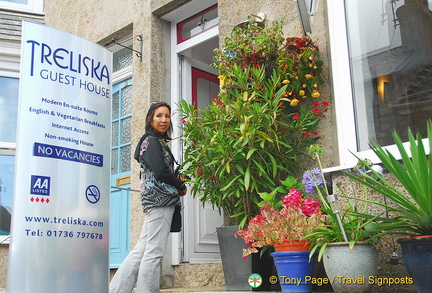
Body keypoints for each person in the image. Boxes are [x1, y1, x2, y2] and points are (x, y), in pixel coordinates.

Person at [109, 101, 187, 293]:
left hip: (154, 201)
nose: (164, 120)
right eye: (159, 115)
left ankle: (117, 290)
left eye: (167, 116)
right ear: (150, 119)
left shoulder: (153, 142)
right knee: (154, 252)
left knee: (142, 250)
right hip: (161, 202)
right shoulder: (151, 141)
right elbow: (160, 171)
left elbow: (154, 171)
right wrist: (180, 185)